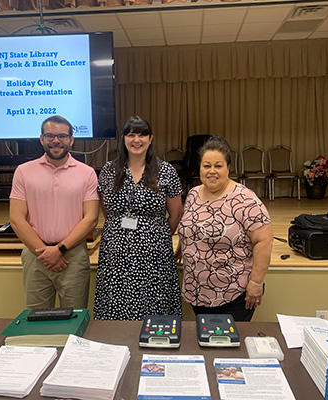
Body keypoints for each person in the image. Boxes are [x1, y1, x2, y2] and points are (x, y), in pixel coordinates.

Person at [93, 116, 183, 320]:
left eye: (142, 134)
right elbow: (107, 210)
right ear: (123, 138)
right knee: (116, 300)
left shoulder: (166, 171)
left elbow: (176, 213)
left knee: (154, 301)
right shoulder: (109, 170)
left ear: (150, 139)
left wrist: (155, 235)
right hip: (116, 252)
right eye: (131, 134)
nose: (137, 140)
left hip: (154, 252)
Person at [177, 136, 273, 321]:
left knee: (228, 346)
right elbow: (190, 227)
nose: (212, 171)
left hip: (234, 293)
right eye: (206, 166)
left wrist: (256, 282)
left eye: (218, 166)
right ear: (200, 168)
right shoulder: (193, 194)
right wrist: (181, 249)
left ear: (228, 168)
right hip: (197, 291)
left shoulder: (245, 199)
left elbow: (264, 240)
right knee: (205, 342)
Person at [10, 115, 99, 309]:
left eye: (62, 136)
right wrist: (45, 253)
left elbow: (91, 218)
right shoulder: (23, 172)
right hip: (36, 257)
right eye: (50, 135)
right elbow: (16, 219)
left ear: (71, 140)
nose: (56, 140)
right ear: (41, 139)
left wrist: (59, 250)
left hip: (73, 257)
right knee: (36, 322)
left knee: (74, 321)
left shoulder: (87, 173)